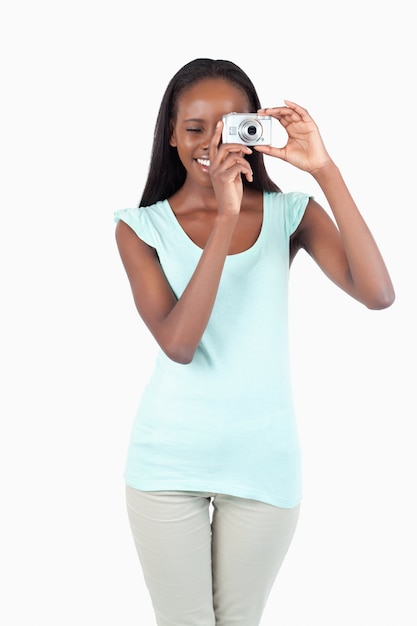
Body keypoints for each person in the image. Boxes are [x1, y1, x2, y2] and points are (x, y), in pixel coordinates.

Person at [114, 58, 395, 626]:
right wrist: (224, 218)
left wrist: (324, 170)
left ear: (255, 128)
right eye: (195, 128)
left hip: (264, 464)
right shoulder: (138, 227)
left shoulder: (293, 215)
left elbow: (379, 294)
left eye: (229, 126)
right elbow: (179, 343)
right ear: (170, 133)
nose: (213, 143)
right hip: (167, 464)